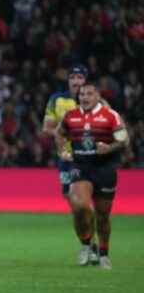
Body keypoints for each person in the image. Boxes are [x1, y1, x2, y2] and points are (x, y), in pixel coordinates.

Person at [55, 82, 128, 270]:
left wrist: (109, 147)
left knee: (103, 216)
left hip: (105, 168)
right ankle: (87, 244)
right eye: (81, 95)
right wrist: (62, 150)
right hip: (81, 166)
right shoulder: (71, 116)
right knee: (79, 207)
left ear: (97, 97)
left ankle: (103, 253)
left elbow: (123, 140)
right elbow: (60, 134)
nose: (84, 98)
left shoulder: (110, 115)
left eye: (89, 94)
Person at [42, 64, 101, 263]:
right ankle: (88, 244)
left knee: (83, 202)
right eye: (72, 77)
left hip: (89, 158)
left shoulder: (95, 100)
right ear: (68, 80)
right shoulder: (57, 100)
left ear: (86, 81)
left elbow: (109, 123)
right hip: (66, 158)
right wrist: (64, 132)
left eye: (80, 77)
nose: (76, 81)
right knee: (74, 205)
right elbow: (47, 128)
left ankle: (90, 246)